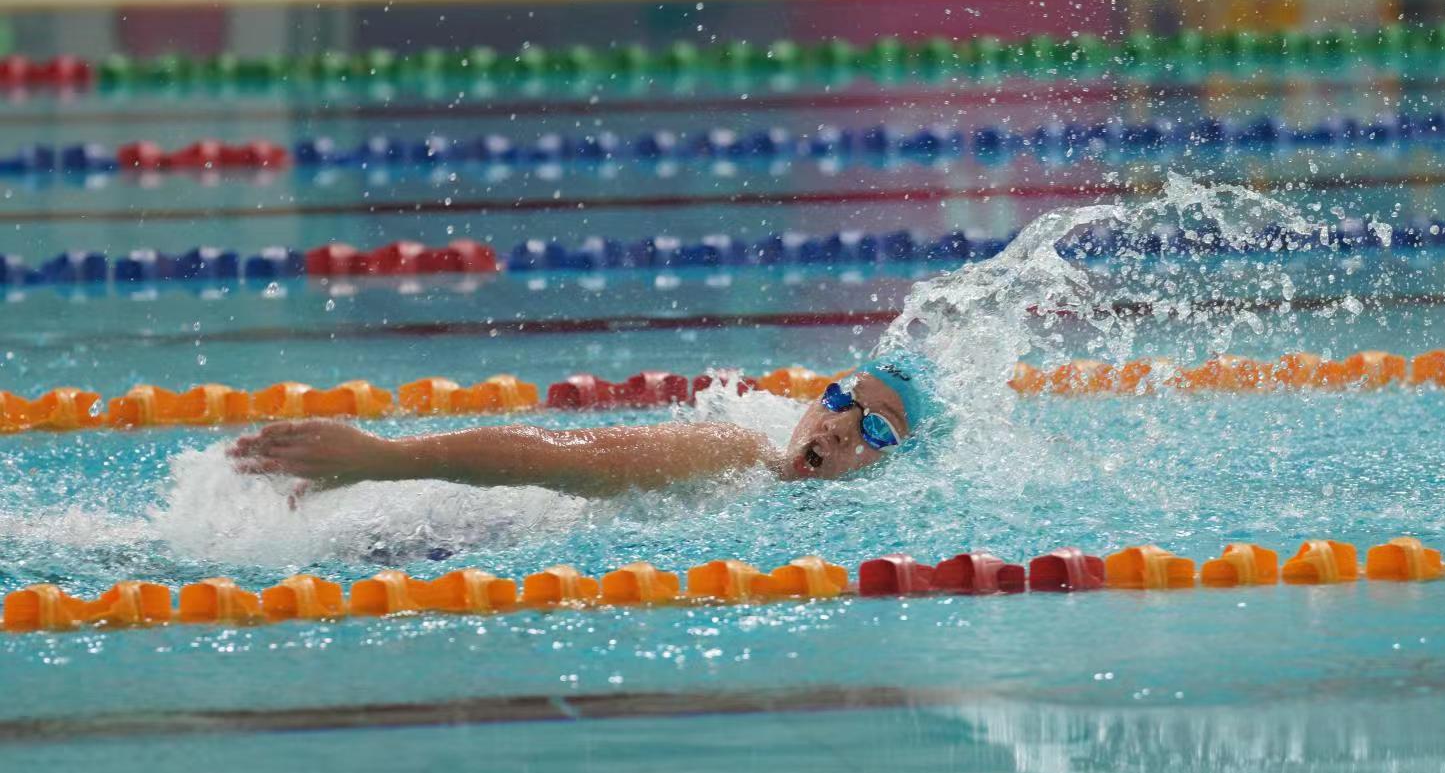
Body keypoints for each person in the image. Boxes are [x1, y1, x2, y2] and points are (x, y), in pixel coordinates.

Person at [230, 351, 937, 497]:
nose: (845, 428)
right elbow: (563, 454)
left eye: (880, 431)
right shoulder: (733, 451)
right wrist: (380, 458)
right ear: (818, 399)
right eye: (845, 400)